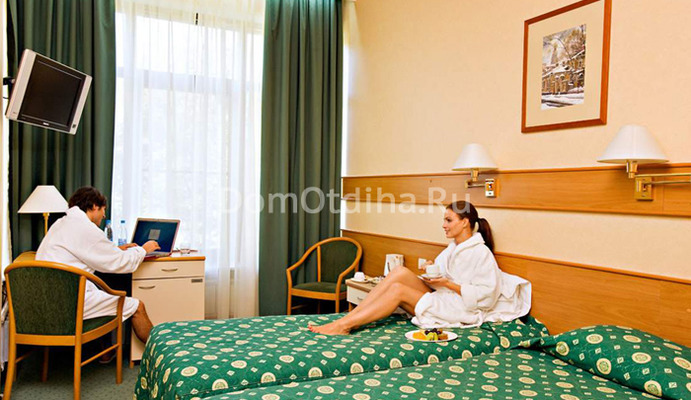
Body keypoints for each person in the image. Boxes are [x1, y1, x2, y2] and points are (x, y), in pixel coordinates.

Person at [310, 200, 531, 335]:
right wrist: (431, 269)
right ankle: (349, 318)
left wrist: (448, 284)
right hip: (445, 295)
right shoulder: (454, 247)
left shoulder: (481, 253)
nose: (443, 225)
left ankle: (345, 325)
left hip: (463, 308)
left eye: (449, 220)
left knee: (398, 290)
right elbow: (442, 273)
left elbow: (487, 297)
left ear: (465, 222)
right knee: (399, 272)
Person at [36, 186, 160, 343]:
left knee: (105, 294)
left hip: (46, 301)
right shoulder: (86, 228)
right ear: (95, 206)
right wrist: (144, 249)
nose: (104, 215)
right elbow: (122, 263)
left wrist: (115, 249)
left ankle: (106, 351)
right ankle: (159, 352)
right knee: (137, 306)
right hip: (70, 302)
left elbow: (81, 251)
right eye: (103, 209)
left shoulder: (61, 223)